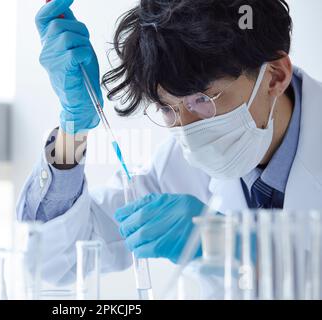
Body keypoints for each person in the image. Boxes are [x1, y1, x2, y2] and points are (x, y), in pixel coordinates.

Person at [17, 0, 322, 285]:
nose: (187, 130)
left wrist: (233, 245)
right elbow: (56, 258)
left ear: (274, 77)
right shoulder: (178, 165)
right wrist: (73, 130)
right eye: (166, 107)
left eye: (203, 99)